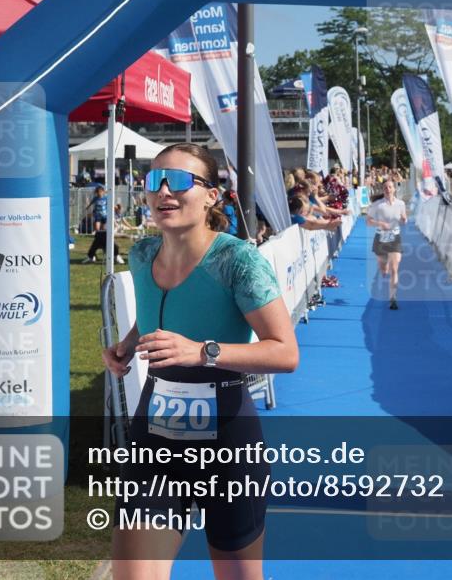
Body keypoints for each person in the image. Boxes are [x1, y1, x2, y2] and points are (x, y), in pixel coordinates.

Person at [102, 143, 298, 579]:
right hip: (154, 433)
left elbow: (285, 352)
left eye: (181, 181)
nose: (165, 191)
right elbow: (152, 314)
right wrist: (129, 343)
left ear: (212, 195)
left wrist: (202, 351)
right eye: (155, 181)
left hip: (228, 439)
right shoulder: (141, 255)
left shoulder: (237, 261)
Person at [366, 179, 408, 310]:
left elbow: (404, 219)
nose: (388, 189)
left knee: (394, 269)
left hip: (395, 237)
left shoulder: (401, 203)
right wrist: (380, 224)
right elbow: (368, 222)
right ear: (383, 190)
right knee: (383, 268)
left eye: (390, 187)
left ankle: (393, 299)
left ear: (394, 189)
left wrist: (404, 220)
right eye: (385, 188)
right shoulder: (377, 205)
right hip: (381, 238)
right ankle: (383, 267)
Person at [83, 185, 123, 264]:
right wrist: (88, 207)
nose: (100, 193)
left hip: (105, 216)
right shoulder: (96, 198)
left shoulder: (106, 198)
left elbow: (112, 205)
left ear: (103, 192)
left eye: (101, 192)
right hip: (98, 216)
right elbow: (91, 203)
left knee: (104, 234)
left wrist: (116, 209)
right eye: (98, 192)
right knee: (99, 233)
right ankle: (93, 255)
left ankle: (112, 254)